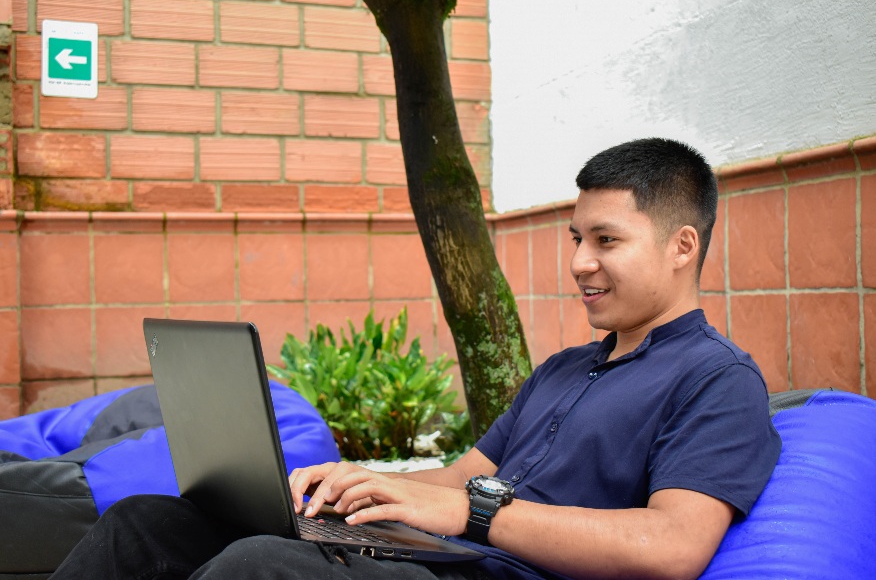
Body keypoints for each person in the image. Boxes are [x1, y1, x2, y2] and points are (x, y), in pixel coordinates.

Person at [50, 138, 781, 580]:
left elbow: (672, 547)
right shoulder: (564, 369)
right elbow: (461, 478)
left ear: (682, 245)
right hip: (432, 555)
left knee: (260, 567)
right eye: (576, 239)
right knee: (146, 522)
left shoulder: (715, 379)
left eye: (606, 240)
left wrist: (470, 514)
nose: (580, 262)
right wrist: (363, 484)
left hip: (497, 573)